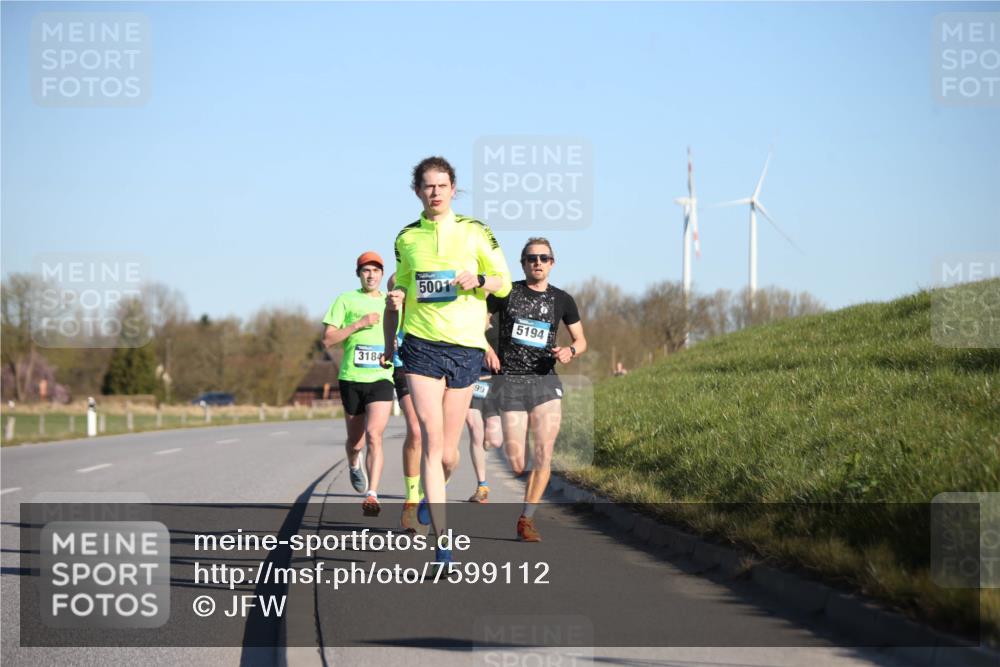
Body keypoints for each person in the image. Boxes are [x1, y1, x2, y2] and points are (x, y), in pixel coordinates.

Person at [383, 156, 512, 566]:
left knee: (449, 454)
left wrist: (479, 280)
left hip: (465, 348)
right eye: (427, 186)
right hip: (421, 345)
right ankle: (442, 545)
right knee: (430, 440)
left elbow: (504, 282)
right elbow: (401, 287)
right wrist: (396, 309)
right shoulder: (406, 238)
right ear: (417, 191)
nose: (435, 192)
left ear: (453, 189)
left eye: (442, 185)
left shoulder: (476, 231)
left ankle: (431, 494)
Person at [489, 237, 587, 542]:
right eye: (532, 258)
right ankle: (522, 475)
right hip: (511, 382)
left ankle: (526, 519)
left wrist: (571, 352)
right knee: (518, 461)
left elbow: (581, 340)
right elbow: (478, 320)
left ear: (552, 263)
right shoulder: (507, 293)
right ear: (523, 263)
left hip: (545, 381)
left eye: (544, 258)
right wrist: (484, 348)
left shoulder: (563, 299)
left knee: (544, 453)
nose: (538, 262)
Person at [323, 251, 395, 516]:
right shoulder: (345, 300)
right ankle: (354, 463)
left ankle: (372, 494)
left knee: (375, 435)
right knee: (356, 442)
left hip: (381, 377)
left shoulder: (391, 302)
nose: (371, 275)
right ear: (359, 274)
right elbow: (328, 339)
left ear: (382, 274)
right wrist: (359, 324)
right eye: (366, 270)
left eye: (376, 270)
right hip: (352, 377)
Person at [384, 272, 425, 533]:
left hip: (434, 360)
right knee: (417, 430)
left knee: (442, 442)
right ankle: (412, 499)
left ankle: (428, 494)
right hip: (404, 364)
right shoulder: (398, 283)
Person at [465, 323, 503, 503]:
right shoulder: (467, 303)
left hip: (495, 381)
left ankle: (485, 445)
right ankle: (482, 485)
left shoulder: (502, 307)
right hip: (472, 377)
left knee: (494, 440)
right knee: (475, 429)